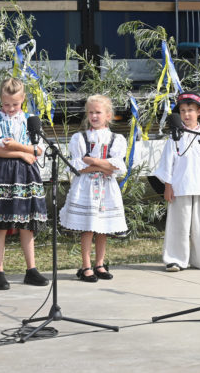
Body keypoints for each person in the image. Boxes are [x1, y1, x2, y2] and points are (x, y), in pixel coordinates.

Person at [0, 78, 49, 290]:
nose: (10, 109)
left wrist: (18, 147)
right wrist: (22, 152)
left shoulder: (30, 120)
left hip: (26, 174)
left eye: (15, 104)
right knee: (0, 224)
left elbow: (39, 150)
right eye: (6, 104)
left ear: (23, 101)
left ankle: (31, 269)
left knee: (26, 223)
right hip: (2, 172)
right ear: (0, 100)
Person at [59, 94, 128, 282]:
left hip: (107, 188)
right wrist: (103, 165)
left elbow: (118, 167)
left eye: (98, 112)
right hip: (86, 187)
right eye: (91, 113)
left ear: (108, 115)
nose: (94, 116)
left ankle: (100, 263)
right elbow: (77, 167)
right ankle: (86, 265)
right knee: (88, 227)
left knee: (102, 227)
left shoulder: (116, 139)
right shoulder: (80, 138)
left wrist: (94, 161)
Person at [154, 92, 200, 272]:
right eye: (183, 110)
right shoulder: (174, 137)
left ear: (199, 111)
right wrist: (168, 185)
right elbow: (168, 162)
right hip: (179, 186)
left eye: (190, 110)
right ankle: (175, 259)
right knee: (179, 225)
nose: (186, 114)